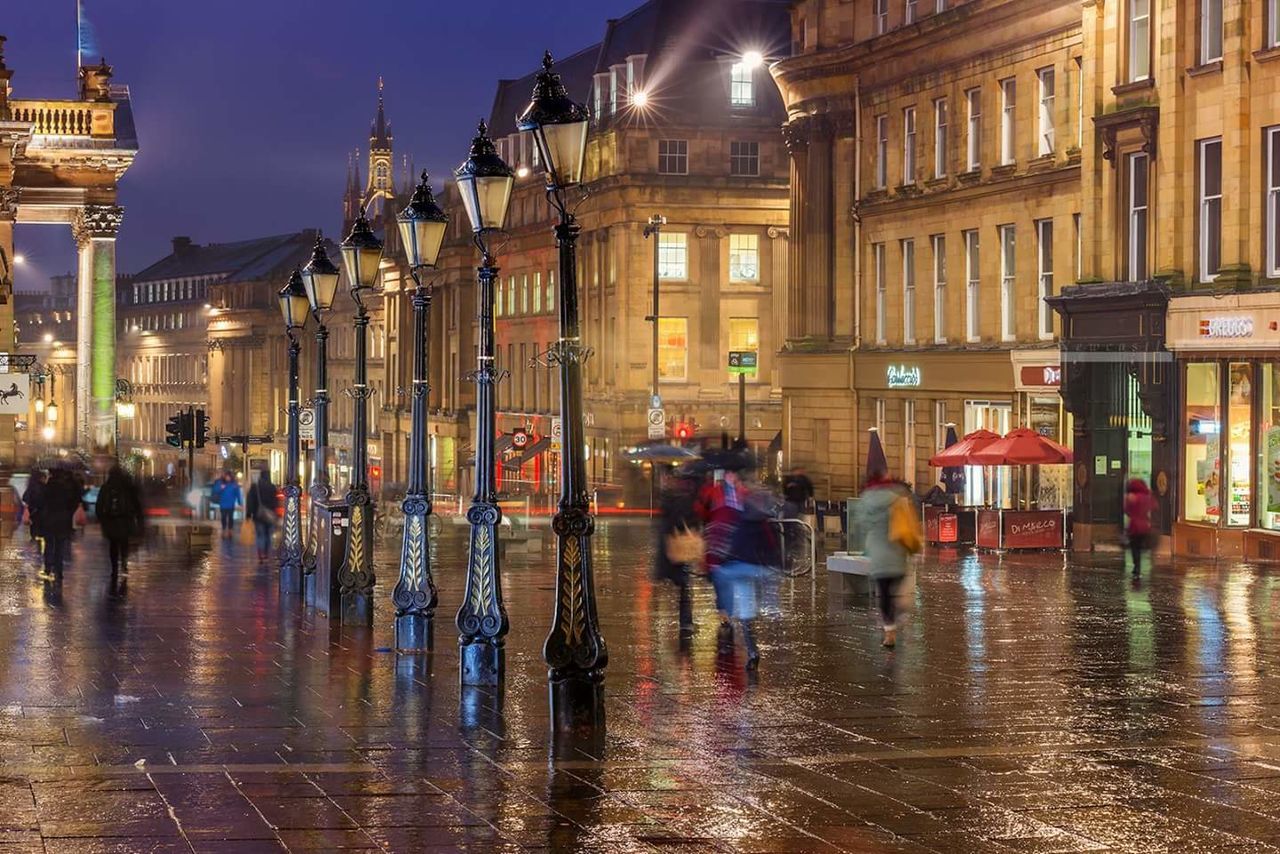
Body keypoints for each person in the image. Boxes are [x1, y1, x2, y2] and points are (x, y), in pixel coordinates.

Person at [855, 465, 916, 648]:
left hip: (878, 554)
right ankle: (899, 612)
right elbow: (909, 526)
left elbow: (860, 524)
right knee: (896, 590)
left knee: (884, 594)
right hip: (897, 551)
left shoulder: (865, 500)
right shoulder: (898, 499)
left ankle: (889, 631)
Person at [654, 465, 704, 633]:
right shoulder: (684, 498)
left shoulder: (666, 497)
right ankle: (686, 621)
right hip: (680, 546)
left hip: (670, 546)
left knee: (681, 586)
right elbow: (689, 519)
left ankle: (683, 621)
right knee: (684, 587)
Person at [96, 465, 144, 575]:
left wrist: (101, 519)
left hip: (111, 521)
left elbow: (99, 504)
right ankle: (124, 563)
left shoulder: (106, 487)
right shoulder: (127, 487)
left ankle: (114, 567)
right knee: (124, 543)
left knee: (113, 545)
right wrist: (139, 519)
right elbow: (136, 504)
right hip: (125, 520)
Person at [38, 467, 82, 578]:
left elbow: (40, 503)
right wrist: (68, 513)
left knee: (49, 544)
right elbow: (74, 502)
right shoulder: (66, 488)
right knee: (60, 545)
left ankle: (48, 568)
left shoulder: (47, 487)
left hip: (49, 519)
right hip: (63, 520)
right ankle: (59, 570)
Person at [245, 468, 279, 562]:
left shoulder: (255, 487)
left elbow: (250, 501)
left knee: (260, 535)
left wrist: (248, 514)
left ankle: (261, 554)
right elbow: (276, 502)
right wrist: (276, 514)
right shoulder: (272, 487)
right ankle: (266, 554)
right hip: (270, 515)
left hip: (258, 515)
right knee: (268, 535)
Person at [1125, 478, 1154, 576]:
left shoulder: (1132, 497)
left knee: (1135, 547)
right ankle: (1140, 564)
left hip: (1134, 526)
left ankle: (1136, 566)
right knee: (1141, 546)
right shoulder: (1147, 496)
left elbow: (1126, 510)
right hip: (1145, 525)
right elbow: (1154, 507)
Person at [22, 470, 46, 549]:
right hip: (40, 510)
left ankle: (34, 538)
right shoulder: (43, 486)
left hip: (32, 510)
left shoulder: (31, 486)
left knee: (34, 525)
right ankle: (39, 541)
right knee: (40, 526)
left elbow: (25, 497)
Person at [215, 471, 242, 539]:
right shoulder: (220, 483)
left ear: (231, 477)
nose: (227, 478)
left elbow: (238, 494)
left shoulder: (234, 485)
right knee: (223, 517)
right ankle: (224, 530)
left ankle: (230, 530)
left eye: (228, 477)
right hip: (223, 504)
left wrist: (240, 502)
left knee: (230, 518)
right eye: (226, 477)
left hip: (231, 504)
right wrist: (221, 488)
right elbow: (215, 491)